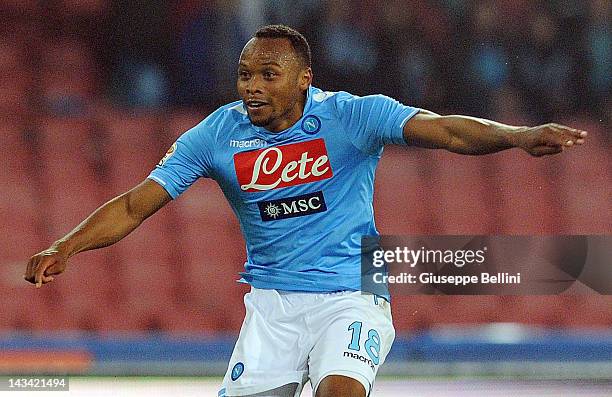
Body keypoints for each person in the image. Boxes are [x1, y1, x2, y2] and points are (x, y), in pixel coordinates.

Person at [24, 25, 586, 397]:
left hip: (352, 296)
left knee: (339, 392)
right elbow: (135, 203)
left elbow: (445, 131)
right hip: (272, 307)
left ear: (303, 79)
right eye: (245, 74)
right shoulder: (217, 134)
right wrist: (65, 246)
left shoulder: (352, 117)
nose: (252, 87)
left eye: (268, 75)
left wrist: (517, 135)